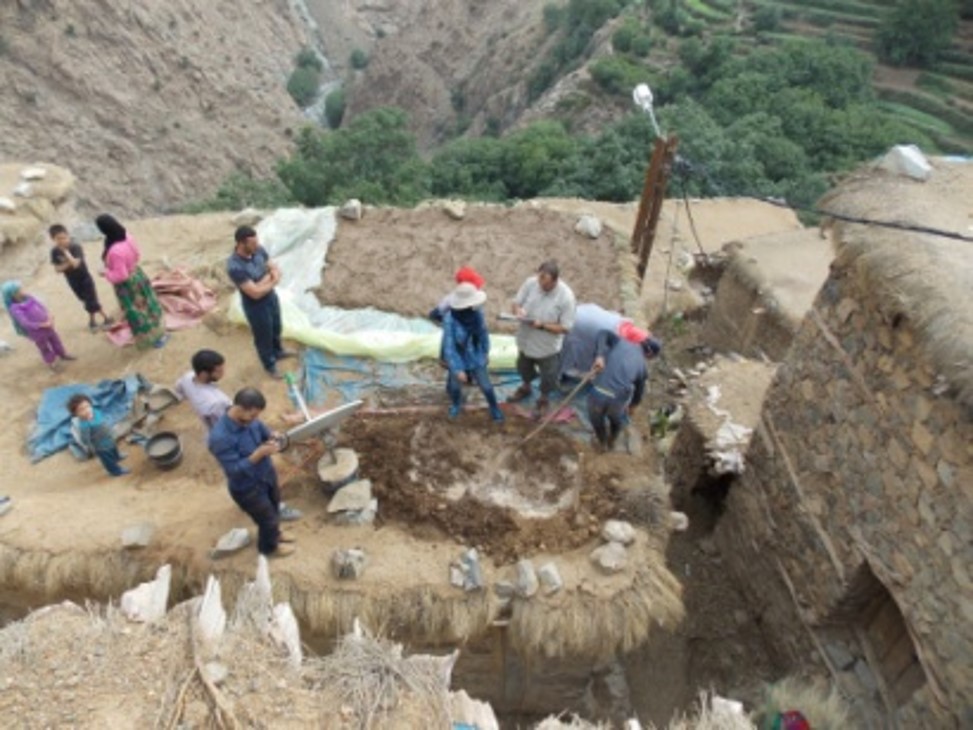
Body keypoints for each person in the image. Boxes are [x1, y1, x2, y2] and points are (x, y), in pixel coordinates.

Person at [208, 388, 296, 558]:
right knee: (267, 520)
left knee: (274, 507)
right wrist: (258, 454)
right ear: (240, 408)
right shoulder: (220, 437)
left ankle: (276, 535)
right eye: (252, 415)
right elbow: (234, 470)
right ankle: (269, 549)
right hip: (247, 488)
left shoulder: (250, 420)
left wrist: (273, 435)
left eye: (256, 416)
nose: (255, 419)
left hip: (267, 476)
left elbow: (264, 432)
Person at [507, 260, 576, 416]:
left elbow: (565, 327)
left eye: (545, 284)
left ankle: (543, 399)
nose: (541, 286)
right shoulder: (531, 283)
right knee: (523, 367)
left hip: (547, 347)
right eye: (539, 280)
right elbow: (516, 303)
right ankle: (525, 387)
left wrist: (543, 325)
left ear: (555, 281)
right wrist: (518, 311)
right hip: (525, 340)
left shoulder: (566, 298)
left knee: (548, 376)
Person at [227, 226, 295, 379]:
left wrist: (264, 282)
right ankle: (269, 364)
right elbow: (255, 294)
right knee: (263, 336)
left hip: (271, 297)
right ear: (241, 244)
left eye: (257, 241)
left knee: (276, 326)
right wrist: (272, 280)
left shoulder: (258, 250)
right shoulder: (235, 266)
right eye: (252, 243)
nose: (257, 245)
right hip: (255, 306)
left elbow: (274, 268)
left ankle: (278, 351)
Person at [95, 214, 168, 349]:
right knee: (149, 304)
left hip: (128, 286)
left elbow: (121, 276)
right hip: (137, 275)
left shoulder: (115, 251)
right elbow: (138, 254)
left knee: (137, 311)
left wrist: (105, 273)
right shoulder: (128, 236)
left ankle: (150, 338)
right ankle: (160, 331)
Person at [587, 329, 661, 452]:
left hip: (597, 394)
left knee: (596, 419)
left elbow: (603, 333)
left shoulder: (621, 342)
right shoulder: (642, 367)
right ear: (649, 354)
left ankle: (602, 443)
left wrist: (599, 356)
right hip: (616, 400)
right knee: (616, 420)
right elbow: (639, 392)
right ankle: (612, 441)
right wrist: (632, 406)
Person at [441, 282, 504, 422]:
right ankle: (456, 404)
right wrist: (458, 369)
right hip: (458, 355)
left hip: (475, 354)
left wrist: (485, 351)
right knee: (455, 386)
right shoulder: (450, 320)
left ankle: (494, 407)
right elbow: (449, 347)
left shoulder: (477, 314)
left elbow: (483, 334)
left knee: (486, 386)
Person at [560, 302, 660, 380]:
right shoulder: (624, 344)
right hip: (578, 327)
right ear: (648, 352)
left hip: (585, 310)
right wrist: (600, 356)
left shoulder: (632, 328)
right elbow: (603, 336)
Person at [49, 224, 113, 333]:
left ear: (68, 236)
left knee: (91, 300)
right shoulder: (54, 252)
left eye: (64, 238)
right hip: (72, 281)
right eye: (58, 239)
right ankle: (95, 321)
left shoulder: (75, 247)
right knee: (85, 300)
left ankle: (103, 319)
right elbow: (57, 269)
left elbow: (76, 264)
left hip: (85, 278)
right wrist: (69, 263)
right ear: (53, 239)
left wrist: (65, 254)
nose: (62, 241)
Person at [2, 280, 76, 372]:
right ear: (13, 294)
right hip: (37, 333)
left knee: (56, 340)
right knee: (44, 347)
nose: (23, 290)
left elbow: (41, 306)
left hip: (48, 326)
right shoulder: (15, 308)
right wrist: (42, 325)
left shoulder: (29, 297)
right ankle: (51, 363)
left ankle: (62, 354)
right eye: (19, 290)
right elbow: (25, 323)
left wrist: (49, 316)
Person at [67, 393, 129, 477]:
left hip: (109, 437)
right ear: (76, 414)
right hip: (100, 446)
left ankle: (117, 457)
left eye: (87, 406)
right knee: (107, 459)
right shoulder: (84, 425)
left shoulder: (96, 412)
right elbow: (85, 439)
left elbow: (104, 421)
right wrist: (90, 447)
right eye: (81, 410)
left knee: (113, 449)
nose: (87, 410)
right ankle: (115, 471)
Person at [174, 349, 232, 431]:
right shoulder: (217, 402)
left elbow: (178, 388)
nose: (223, 373)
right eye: (219, 371)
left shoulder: (187, 377)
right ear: (203, 374)